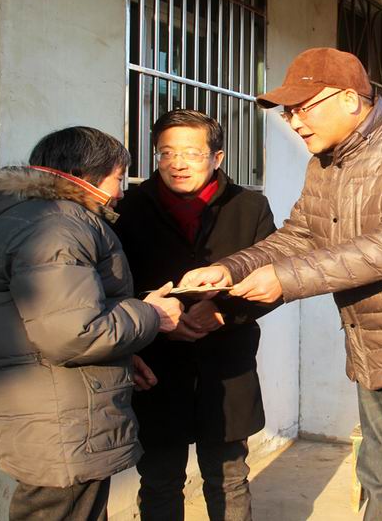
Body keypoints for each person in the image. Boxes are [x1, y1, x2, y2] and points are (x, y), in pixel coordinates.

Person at [180, 47, 382, 520]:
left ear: (349, 99)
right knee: (380, 483)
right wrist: (231, 270)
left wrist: (285, 280)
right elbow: (299, 236)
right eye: (288, 112)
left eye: (303, 107)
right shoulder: (324, 164)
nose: (295, 122)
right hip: (372, 348)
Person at [0, 127, 183, 521]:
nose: (121, 191)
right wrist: (152, 315)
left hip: (48, 410)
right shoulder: (58, 225)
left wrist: (122, 357)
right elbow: (74, 334)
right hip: (63, 422)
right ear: (83, 176)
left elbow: (53, 317)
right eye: (118, 177)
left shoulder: (25, 217)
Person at [112, 109, 278, 521]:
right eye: (166, 153)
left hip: (226, 367)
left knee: (229, 478)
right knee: (160, 480)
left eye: (191, 153)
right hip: (156, 366)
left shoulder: (249, 207)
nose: (177, 164)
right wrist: (155, 319)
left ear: (217, 157)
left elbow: (276, 280)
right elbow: (109, 285)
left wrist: (223, 312)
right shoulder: (130, 208)